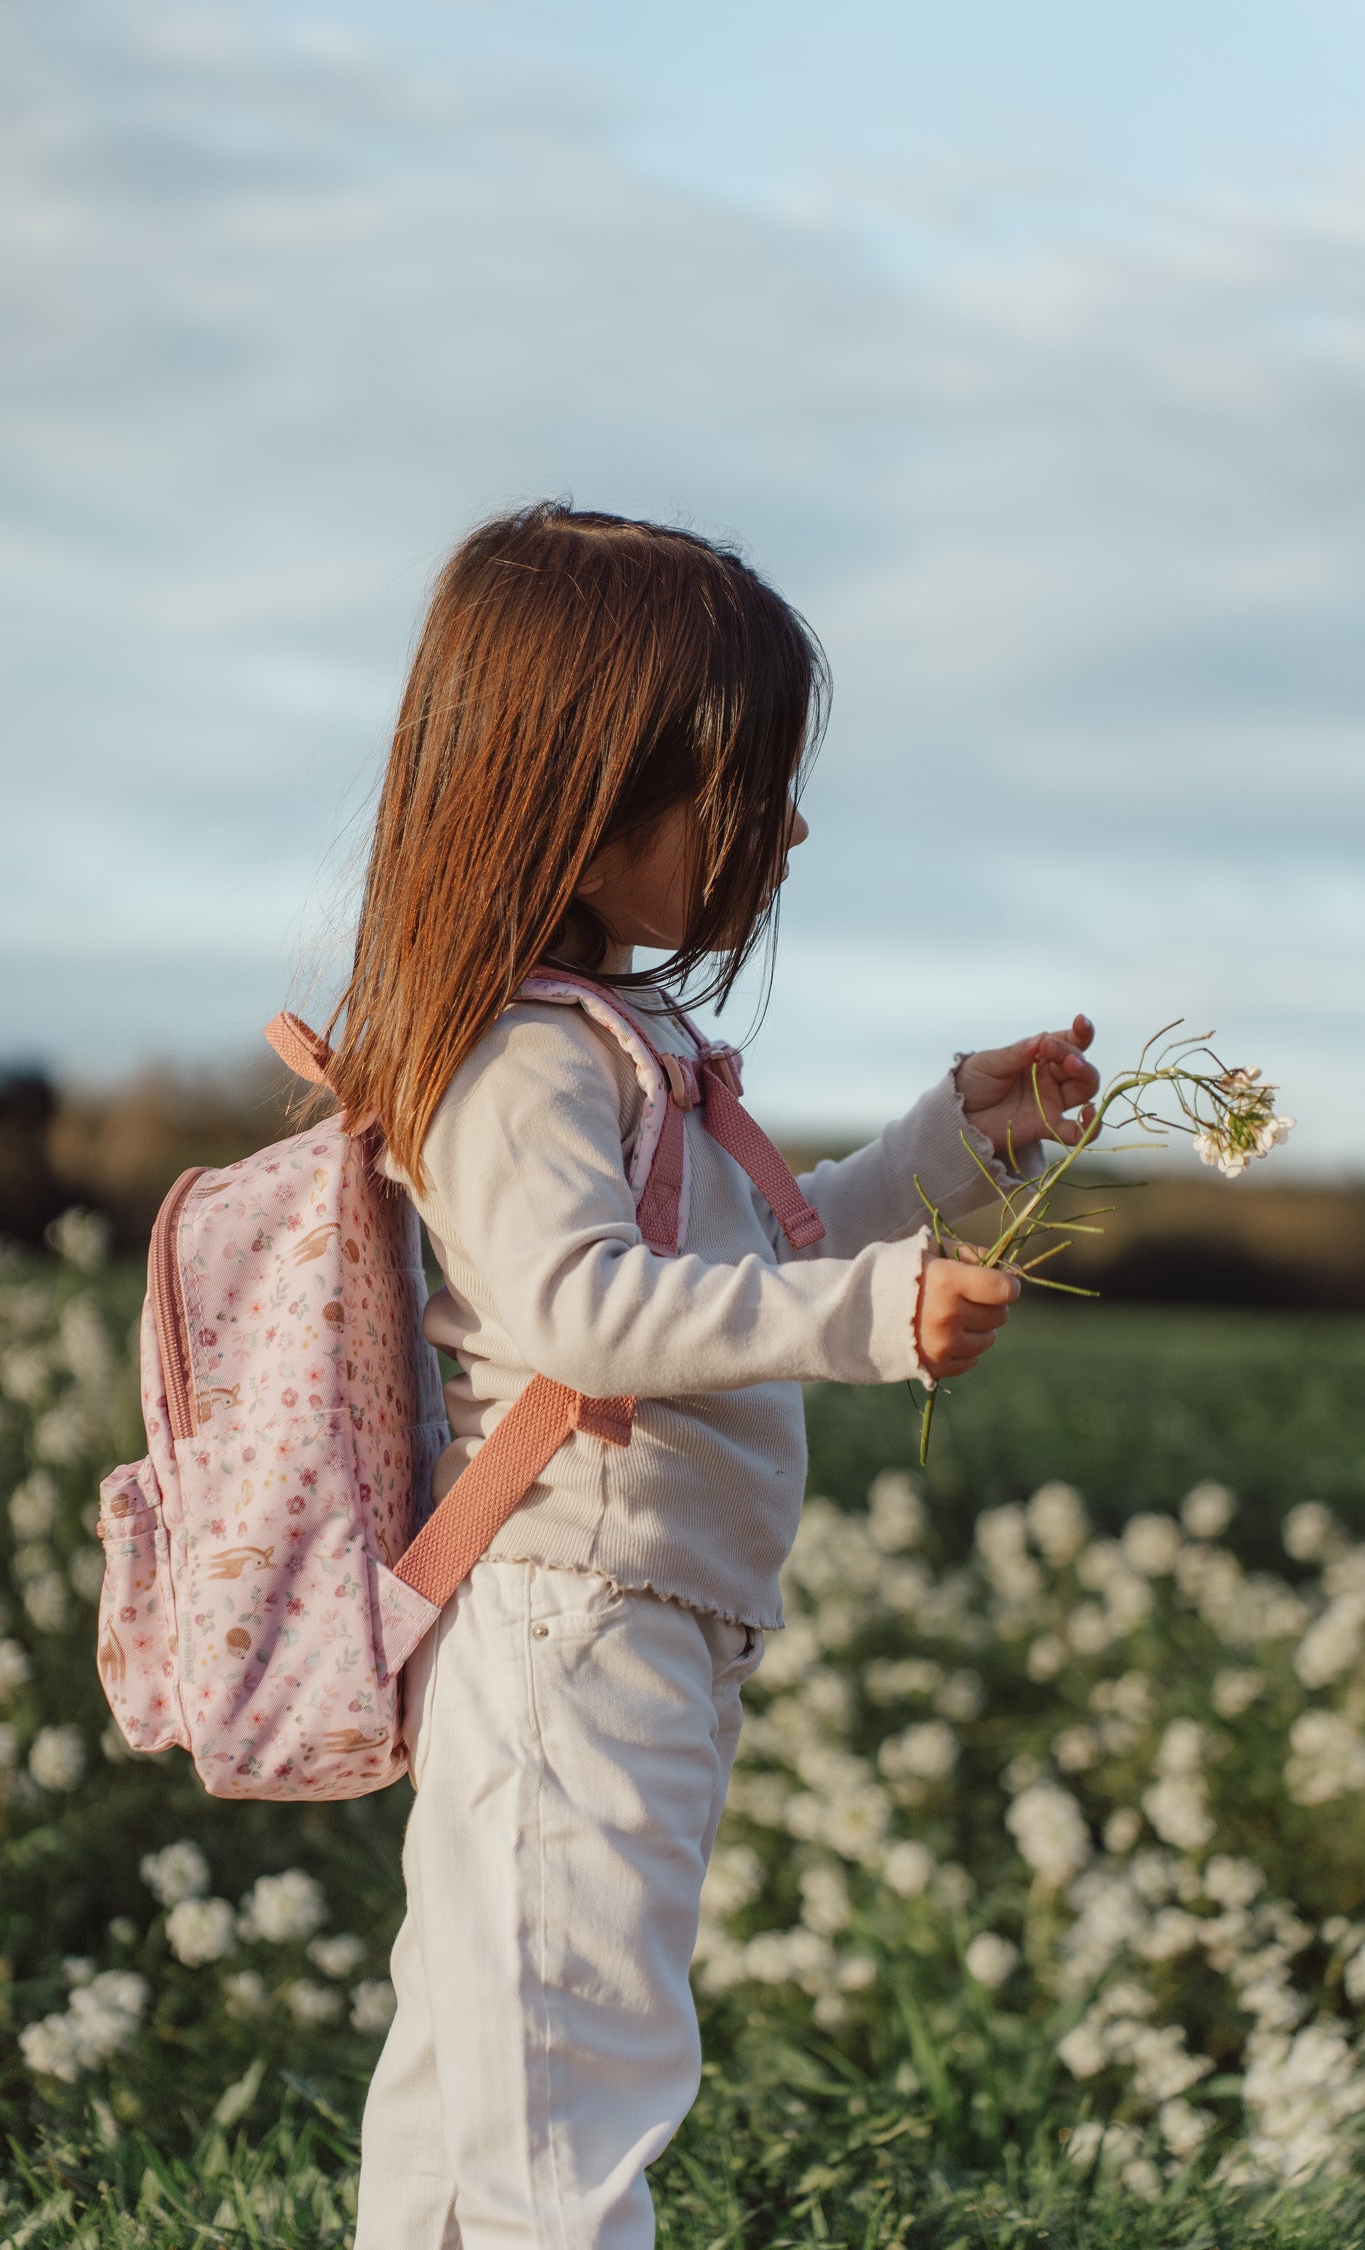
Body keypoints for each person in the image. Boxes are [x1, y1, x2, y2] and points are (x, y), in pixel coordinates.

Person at [331, 503, 1099, 2249]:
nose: (791, 826)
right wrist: (875, 1316)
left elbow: (751, 1255)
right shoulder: (521, 1057)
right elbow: (590, 1312)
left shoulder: (608, 1038)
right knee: (568, 2111)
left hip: (616, 1614)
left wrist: (955, 1145)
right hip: (570, 1621)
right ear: (592, 805)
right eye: (748, 788)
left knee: (488, 2091)